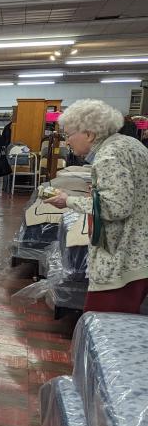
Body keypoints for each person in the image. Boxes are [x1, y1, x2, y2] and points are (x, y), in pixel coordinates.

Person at [44, 100, 148, 313]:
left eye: (68, 135)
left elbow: (115, 207)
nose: (67, 142)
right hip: (137, 254)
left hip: (121, 259)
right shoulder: (129, 144)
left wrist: (68, 201)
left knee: (103, 325)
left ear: (89, 134)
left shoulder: (107, 157)